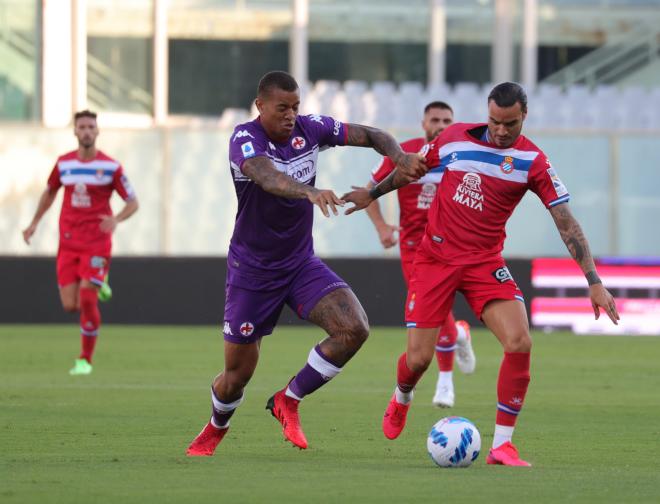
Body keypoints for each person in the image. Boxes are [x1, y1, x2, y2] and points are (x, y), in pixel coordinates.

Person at [342, 82, 619, 466]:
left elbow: (565, 221)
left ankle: (502, 445)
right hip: (434, 259)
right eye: (494, 121)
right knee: (418, 360)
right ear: (485, 113)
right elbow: (410, 171)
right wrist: (371, 195)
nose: (501, 131)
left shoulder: (533, 162)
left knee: (520, 342)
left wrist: (593, 281)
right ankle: (403, 395)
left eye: (510, 123)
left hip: (485, 263)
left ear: (524, 117)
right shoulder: (454, 138)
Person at [186, 70, 427, 456]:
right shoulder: (245, 139)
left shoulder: (311, 129)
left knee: (354, 329)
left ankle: (289, 399)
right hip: (253, 271)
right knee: (237, 376)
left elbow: (370, 134)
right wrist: (310, 191)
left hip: (299, 264)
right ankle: (217, 425)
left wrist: (400, 156)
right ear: (260, 106)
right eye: (282, 108)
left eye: (296, 107)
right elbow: (266, 178)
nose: (291, 115)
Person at [364, 101, 476, 408]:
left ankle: (445, 382)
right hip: (414, 249)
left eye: (447, 120)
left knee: (436, 311)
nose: (440, 125)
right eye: (435, 119)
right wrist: (382, 227)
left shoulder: (463, 154)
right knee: (434, 309)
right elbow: (370, 189)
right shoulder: (404, 154)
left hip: (453, 247)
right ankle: (460, 337)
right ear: (424, 123)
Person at [22, 110, 139, 375]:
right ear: (75, 132)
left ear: (97, 132)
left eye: (90, 127)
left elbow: (133, 202)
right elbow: (49, 193)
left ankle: (85, 360)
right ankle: (101, 282)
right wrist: (33, 224)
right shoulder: (64, 164)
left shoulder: (110, 166)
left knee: (87, 300)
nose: (86, 131)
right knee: (70, 306)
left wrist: (116, 219)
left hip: (97, 242)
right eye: (82, 127)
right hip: (68, 243)